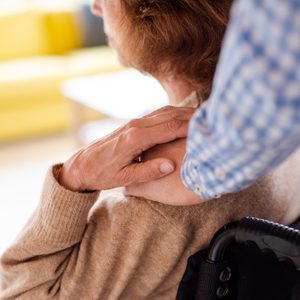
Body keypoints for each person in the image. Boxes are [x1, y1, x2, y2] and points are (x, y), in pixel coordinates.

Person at [0, 0, 299, 299]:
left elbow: (19, 292)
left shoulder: (153, 200)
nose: (94, 7)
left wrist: (71, 177)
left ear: (154, 13)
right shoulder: (286, 132)